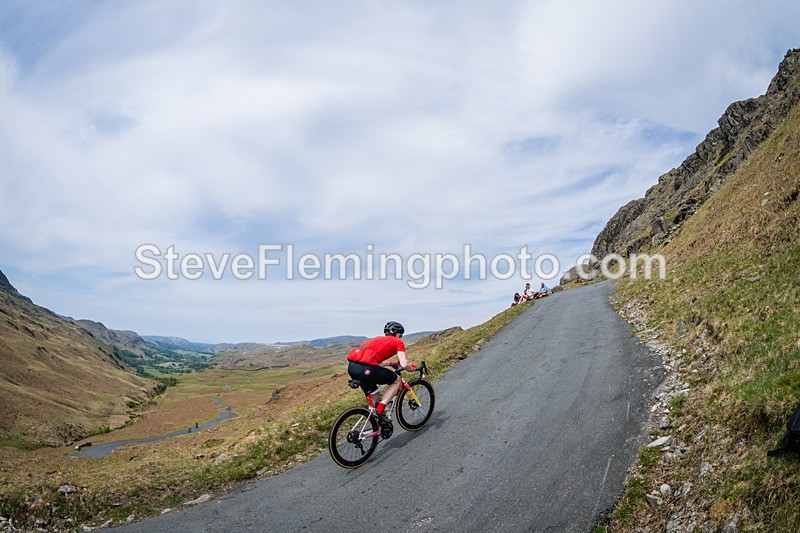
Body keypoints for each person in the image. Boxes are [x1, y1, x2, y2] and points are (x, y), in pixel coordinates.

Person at [346, 321, 416, 424]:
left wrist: (390, 363)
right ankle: (380, 410)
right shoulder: (398, 342)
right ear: (397, 334)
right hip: (366, 369)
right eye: (400, 335)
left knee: (374, 395)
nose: (400, 338)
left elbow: (374, 363)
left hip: (352, 368)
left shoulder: (377, 339)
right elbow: (404, 364)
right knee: (396, 380)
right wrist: (413, 368)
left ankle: (376, 423)